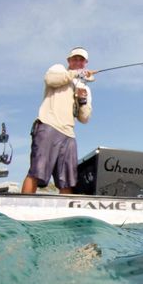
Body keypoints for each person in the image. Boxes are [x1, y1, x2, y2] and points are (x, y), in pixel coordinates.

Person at [21, 47, 96, 194]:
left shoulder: (84, 88)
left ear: (85, 63)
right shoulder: (59, 69)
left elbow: (84, 119)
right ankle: (21, 206)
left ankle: (64, 213)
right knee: (36, 171)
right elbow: (51, 80)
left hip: (69, 134)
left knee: (67, 181)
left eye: (81, 60)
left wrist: (83, 101)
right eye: (75, 59)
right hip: (49, 125)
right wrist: (75, 74)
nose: (78, 62)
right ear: (69, 60)